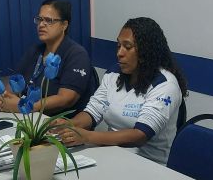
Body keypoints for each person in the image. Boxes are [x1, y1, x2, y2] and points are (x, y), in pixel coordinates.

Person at [56, 17, 188, 165]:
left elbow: (140, 135)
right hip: (110, 154)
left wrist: (87, 136)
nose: (119, 53)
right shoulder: (114, 73)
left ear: (146, 51)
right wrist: (70, 125)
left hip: (147, 164)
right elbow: (93, 111)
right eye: (118, 45)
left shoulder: (165, 85)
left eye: (127, 47)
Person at [0, 0, 97, 117]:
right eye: (39, 19)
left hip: (60, 123)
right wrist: (5, 98)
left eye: (49, 20)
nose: (41, 24)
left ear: (64, 25)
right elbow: (13, 85)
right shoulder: (34, 51)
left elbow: (66, 99)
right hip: (30, 117)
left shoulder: (76, 54)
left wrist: (28, 106)